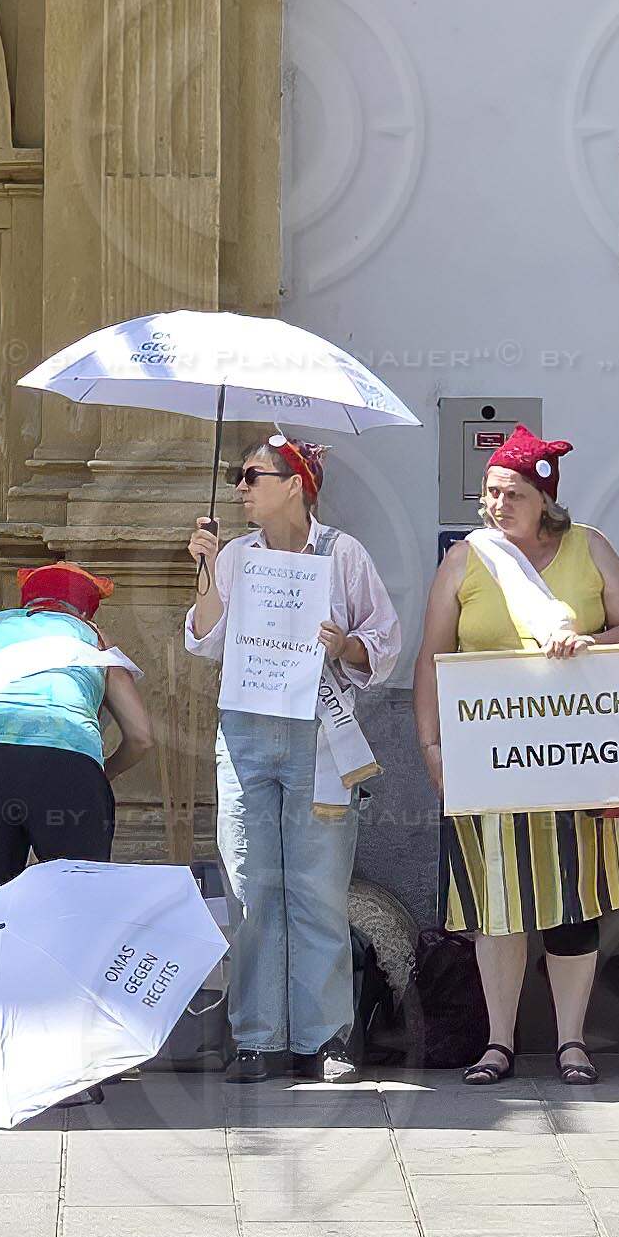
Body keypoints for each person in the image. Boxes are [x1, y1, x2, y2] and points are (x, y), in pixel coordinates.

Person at [414, 427, 619, 1088]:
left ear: (545, 499)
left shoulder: (590, 548)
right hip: (489, 758)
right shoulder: (466, 560)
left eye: (512, 493)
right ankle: (499, 1042)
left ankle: (571, 1041)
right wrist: (432, 745)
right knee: (496, 904)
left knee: (572, 901)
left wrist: (590, 639)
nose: (496, 505)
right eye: (491, 492)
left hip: (576, 757)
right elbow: (432, 658)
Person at [185, 434, 399, 1085]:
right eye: (239, 475)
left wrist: (345, 647)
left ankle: (326, 1037)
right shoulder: (234, 558)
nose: (242, 487)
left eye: (252, 475)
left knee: (316, 888)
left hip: (318, 735)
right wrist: (203, 568)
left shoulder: (343, 555)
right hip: (246, 732)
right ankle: (257, 1037)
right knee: (251, 885)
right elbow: (203, 641)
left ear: (294, 484)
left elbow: (382, 641)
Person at [0, 563, 153, 898]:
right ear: (86, 613)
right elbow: (141, 736)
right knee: (78, 909)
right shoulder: (94, 638)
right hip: (64, 767)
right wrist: (102, 773)